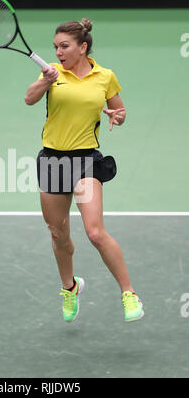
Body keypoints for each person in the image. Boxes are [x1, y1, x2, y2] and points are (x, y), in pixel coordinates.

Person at [25, 19, 144, 323]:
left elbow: (121, 110)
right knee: (58, 234)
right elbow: (29, 98)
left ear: (83, 47)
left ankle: (128, 293)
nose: (59, 51)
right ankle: (70, 287)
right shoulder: (52, 72)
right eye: (56, 47)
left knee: (94, 231)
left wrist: (118, 116)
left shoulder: (105, 76)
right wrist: (45, 81)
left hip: (86, 161)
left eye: (64, 46)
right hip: (52, 161)